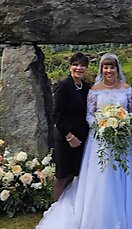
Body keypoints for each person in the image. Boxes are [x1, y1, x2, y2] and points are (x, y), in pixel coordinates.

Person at [19, 53, 132, 229]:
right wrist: (101, 126)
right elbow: (89, 114)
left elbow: (130, 112)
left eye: (112, 67)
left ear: (117, 69)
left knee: (124, 178)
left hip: (123, 140)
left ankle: (128, 218)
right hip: (100, 140)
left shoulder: (126, 89)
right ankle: (84, 216)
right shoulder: (93, 90)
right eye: (105, 67)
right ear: (101, 69)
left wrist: (122, 125)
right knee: (98, 180)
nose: (109, 70)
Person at [52, 52, 90, 200]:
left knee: (74, 173)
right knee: (62, 175)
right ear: (70, 67)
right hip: (66, 138)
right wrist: (69, 136)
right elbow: (57, 114)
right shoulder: (63, 86)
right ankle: (56, 208)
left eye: (82, 65)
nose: (79, 68)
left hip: (81, 138)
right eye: (75, 64)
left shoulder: (86, 87)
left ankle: (68, 206)